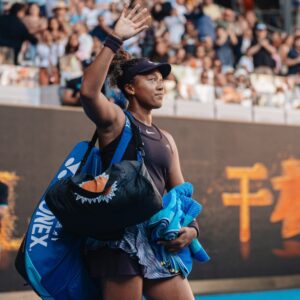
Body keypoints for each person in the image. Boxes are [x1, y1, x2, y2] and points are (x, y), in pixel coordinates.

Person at [80, 3, 198, 300]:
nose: (160, 86)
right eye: (151, 79)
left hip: (157, 241)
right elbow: (89, 92)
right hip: (119, 239)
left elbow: (180, 191)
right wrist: (114, 40)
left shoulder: (167, 138)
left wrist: (192, 229)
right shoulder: (117, 122)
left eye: (162, 81)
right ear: (130, 88)